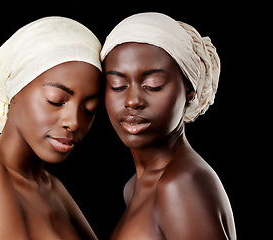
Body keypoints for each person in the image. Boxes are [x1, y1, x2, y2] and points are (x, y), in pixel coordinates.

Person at [0, 16, 102, 240]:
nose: (74, 122)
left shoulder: (53, 188)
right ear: (14, 88)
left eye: (90, 109)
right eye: (56, 100)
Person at [101, 12, 236, 240]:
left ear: (189, 90)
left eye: (153, 84)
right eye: (117, 85)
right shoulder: (134, 187)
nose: (133, 101)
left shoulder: (180, 183)